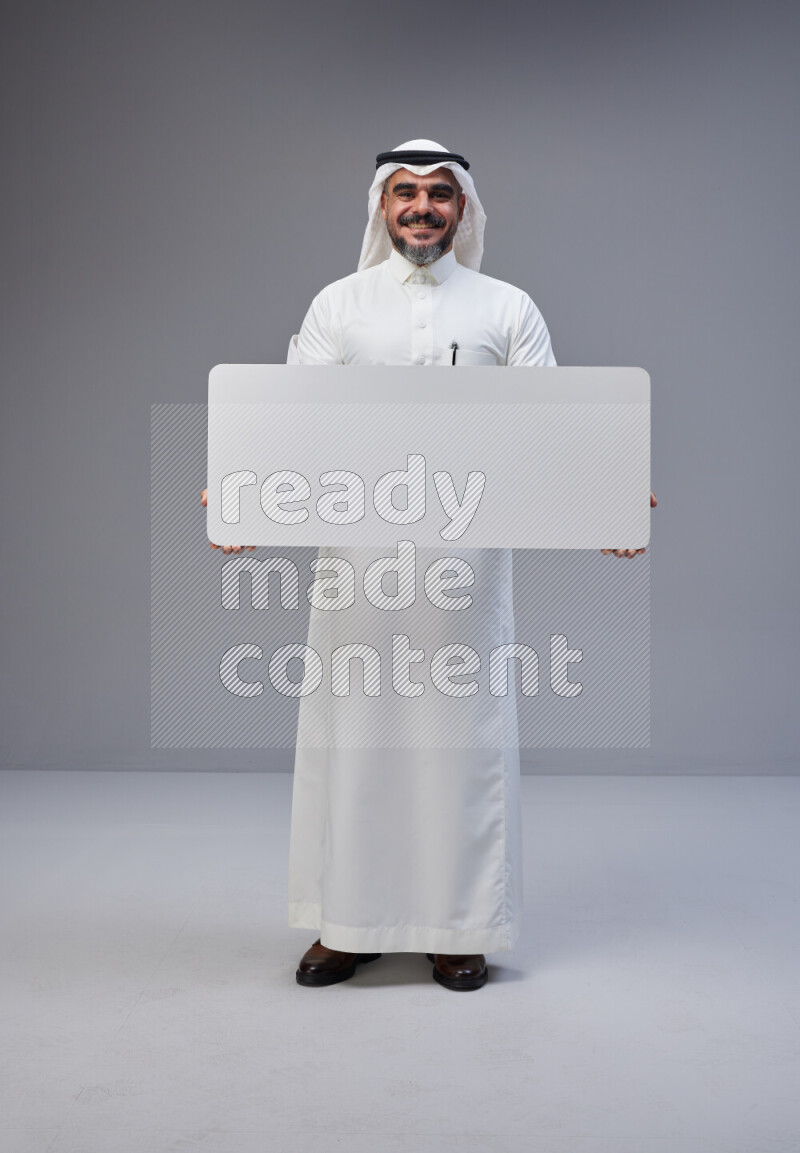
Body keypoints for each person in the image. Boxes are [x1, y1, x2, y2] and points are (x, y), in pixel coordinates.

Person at [202, 138, 655, 991]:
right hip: (358, 572)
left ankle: (459, 926)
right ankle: (350, 924)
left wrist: (614, 497)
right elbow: (287, 421)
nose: (421, 206)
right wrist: (235, 490)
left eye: (439, 194)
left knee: (459, 744)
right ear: (380, 206)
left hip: (463, 573)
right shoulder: (338, 306)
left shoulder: (507, 309)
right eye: (404, 192)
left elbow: (554, 426)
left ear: (464, 209)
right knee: (359, 742)